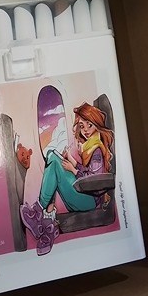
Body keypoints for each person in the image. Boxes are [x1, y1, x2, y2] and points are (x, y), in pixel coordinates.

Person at [20, 102, 114, 255]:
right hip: (84, 195)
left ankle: (38, 214)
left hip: (89, 200)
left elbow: (94, 181)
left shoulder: (96, 149)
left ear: (97, 125)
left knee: (53, 160)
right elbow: (89, 171)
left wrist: (73, 170)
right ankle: (45, 220)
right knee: (51, 156)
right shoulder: (90, 146)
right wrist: (72, 161)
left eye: (89, 125)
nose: (85, 130)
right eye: (82, 126)